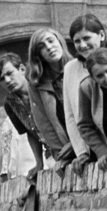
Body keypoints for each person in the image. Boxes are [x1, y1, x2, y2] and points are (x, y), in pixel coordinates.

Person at [62, 14, 107, 165]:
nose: (82, 45)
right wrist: (81, 152)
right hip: (91, 150)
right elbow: (70, 115)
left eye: (87, 38)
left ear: (101, 35)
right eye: (77, 41)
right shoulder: (70, 69)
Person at [0, 53, 44, 179]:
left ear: (22, 69)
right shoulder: (10, 103)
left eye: (9, 73)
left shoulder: (40, 85)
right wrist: (39, 163)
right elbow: (30, 131)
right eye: (2, 79)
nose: (7, 80)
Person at [25, 28, 73, 166]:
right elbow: (43, 123)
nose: (49, 47)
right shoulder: (37, 83)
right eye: (42, 47)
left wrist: (78, 144)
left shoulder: (79, 68)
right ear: (38, 55)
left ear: (60, 41)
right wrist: (61, 152)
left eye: (51, 41)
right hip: (64, 151)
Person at [75, 48, 107, 167]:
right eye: (99, 76)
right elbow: (84, 125)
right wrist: (102, 151)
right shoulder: (86, 87)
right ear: (93, 78)